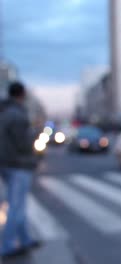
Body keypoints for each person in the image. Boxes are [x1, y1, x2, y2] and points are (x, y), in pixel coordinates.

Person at [0, 82, 41, 259]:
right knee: (16, 206)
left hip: (7, 164)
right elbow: (23, 144)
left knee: (18, 204)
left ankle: (25, 240)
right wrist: (34, 134)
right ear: (22, 94)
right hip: (18, 164)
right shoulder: (17, 115)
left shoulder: (5, 112)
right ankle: (7, 246)